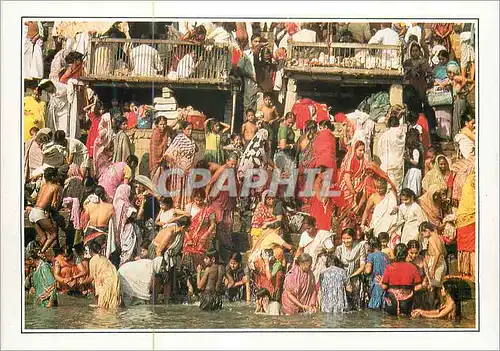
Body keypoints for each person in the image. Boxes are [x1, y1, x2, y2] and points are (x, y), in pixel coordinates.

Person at [181, 189, 217, 296]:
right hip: (189, 239)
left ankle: (201, 286)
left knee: (201, 262)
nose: (198, 202)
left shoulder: (209, 210)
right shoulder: (188, 207)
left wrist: (206, 234)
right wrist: (188, 237)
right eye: (196, 199)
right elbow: (184, 224)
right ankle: (190, 287)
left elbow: (213, 224)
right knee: (187, 261)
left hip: (202, 240)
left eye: (200, 200)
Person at [206, 153, 240, 262]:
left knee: (228, 223)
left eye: (235, 164)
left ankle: (226, 246)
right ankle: (216, 247)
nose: (233, 166)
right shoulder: (222, 169)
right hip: (218, 201)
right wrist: (207, 196)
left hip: (229, 201)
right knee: (219, 222)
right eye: (231, 164)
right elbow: (210, 182)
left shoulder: (234, 170)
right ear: (227, 161)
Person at [377, 243, 423, 316]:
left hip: (392, 302)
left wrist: (380, 283)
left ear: (395, 254)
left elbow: (384, 287)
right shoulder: (413, 267)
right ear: (406, 254)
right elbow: (419, 286)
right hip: (407, 303)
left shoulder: (389, 267)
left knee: (390, 321)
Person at [162, 121, 197, 210]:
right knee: (178, 187)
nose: (190, 131)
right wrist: (179, 163)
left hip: (188, 169)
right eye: (188, 129)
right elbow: (169, 153)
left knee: (187, 188)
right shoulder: (179, 138)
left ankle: (185, 208)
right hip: (179, 168)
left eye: (191, 129)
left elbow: (194, 151)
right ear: (183, 130)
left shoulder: (192, 140)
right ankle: (176, 208)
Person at [28, 167, 61, 253]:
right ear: (54, 177)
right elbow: (54, 204)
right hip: (39, 213)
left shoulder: (43, 186)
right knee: (53, 235)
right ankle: (41, 253)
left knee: (43, 238)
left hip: (33, 212)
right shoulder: (56, 187)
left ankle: (35, 254)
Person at [295, 216, 334, 284]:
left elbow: (331, 248)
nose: (307, 231)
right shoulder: (304, 235)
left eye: (309, 228)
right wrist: (295, 261)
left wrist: (322, 251)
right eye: (305, 229)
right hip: (307, 263)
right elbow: (300, 249)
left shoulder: (322, 235)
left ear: (314, 226)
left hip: (320, 263)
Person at [337, 140, 367, 229]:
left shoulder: (363, 160)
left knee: (356, 210)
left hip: (358, 187)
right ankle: (344, 229)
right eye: (360, 150)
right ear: (355, 150)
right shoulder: (351, 160)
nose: (362, 152)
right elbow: (347, 178)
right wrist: (353, 192)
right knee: (346, 209)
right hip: (348, 188)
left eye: (363, 150)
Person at [335, 228, 367, 310]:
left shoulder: (360, 247)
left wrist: (351, 276)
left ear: (353, 237)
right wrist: (345, 280)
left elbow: (362, 265)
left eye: (348, 238)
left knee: (356, 307)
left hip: (355, 278)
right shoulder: (339, 249)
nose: (346, 241)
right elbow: (336, 266)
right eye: (344, 239)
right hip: (342, 279)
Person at [81, 185, 116, 257]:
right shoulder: (110, 207)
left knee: (89, 255)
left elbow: (85, 221)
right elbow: (113, 221)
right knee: (100, 256)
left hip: (90, 231)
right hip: (102, 233)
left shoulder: (90, 205)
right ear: (104, 194)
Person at [419, 221, 447, 308]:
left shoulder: (431, 239)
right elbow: (444, 253)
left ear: (427, 230)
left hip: (437, 265)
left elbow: (437, 253)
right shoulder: (439, 237)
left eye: (422, 234)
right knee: (438, 289)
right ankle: (442, 305)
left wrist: (433, 268)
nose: (422, 236)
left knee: (431, 288)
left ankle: (433, 308)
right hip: (442, 263)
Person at [88, 241, 122, 309]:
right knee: (113, 306)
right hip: (116, 279)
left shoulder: (93, 260)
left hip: (106, 281)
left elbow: (91, 277)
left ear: (90, 251)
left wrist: (81, 283)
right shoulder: (104, 258)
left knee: (103, 309)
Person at [113, 184, 141, 266]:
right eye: (129, 192)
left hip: (119, 231)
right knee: (127, 253)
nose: (130, 194)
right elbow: (136, 216)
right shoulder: (124, 204)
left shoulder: (116, 202)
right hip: (127, 230)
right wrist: (142, 204)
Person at [378, 113, 406, 192]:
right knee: (398, 188)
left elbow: (381, 149)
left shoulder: (386, 135)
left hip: (388, 165)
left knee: (389, 188)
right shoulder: (402, 134)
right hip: (399, 164)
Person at [455, 170, 475, 280]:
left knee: (467, 250)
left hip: (463, 222)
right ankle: (472, 273)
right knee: (472, 250)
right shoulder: (474, 198)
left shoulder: (465, 198)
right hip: (471, 221)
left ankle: (466, 272)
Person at [364, 236, 390, 310]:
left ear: (370, 246)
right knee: (383, 307)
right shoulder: (386, 255)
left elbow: (368, 270)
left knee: (374, 309)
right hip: (385, 284)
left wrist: (364, 271)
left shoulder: (371, 256)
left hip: (376, 285)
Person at [274, 112, 296, 178]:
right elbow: (283, 146)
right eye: (289, 122)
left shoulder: (287, 128)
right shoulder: (284, 128)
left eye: (292, 123)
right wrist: (292, 146)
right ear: (285, 119)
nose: (291, 124)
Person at [403, 128, 424, 197]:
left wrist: (408, 159)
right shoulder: (414, 149)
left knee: (413, 190)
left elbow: (416, 162)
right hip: (412, 171)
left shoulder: (415, 150)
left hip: (415, 171)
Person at [93, 112, 114, 179]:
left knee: (103, 171)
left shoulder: (108, 131)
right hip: (102, 153)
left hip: (103, 153)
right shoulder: (106, 131)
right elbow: (99, 141)